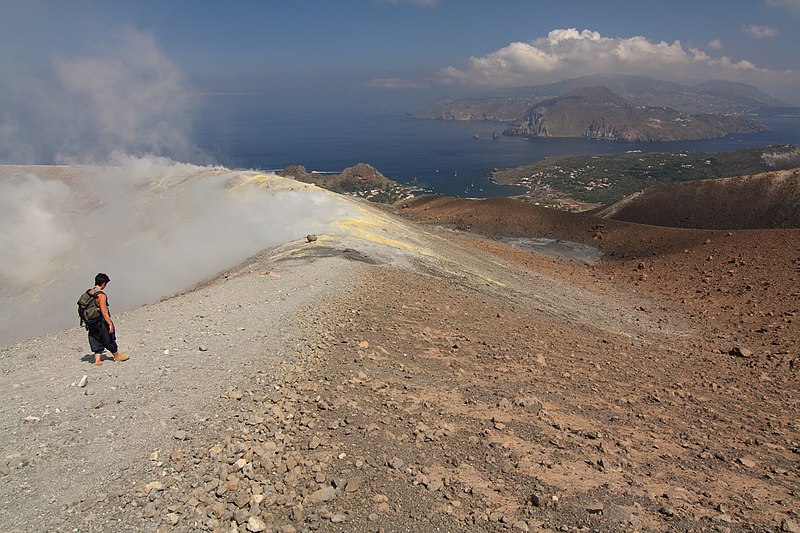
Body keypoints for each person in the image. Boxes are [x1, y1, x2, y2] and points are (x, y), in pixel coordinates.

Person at [86, 273, 128, 366]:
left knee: (95, 338)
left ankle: (97, 360)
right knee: (108, 338)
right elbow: (104, 311)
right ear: (103, 283)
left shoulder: (89, 292)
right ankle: (117, 356)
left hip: (91, 321)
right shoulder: (101, 295)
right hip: (100, 321)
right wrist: (110, 323)